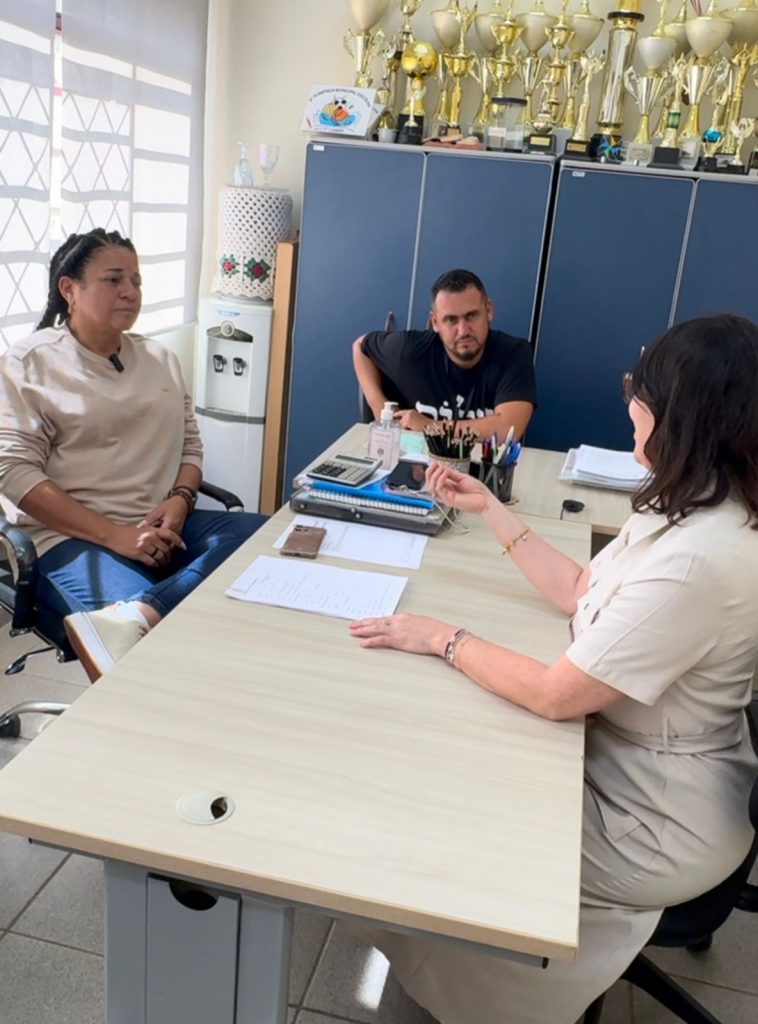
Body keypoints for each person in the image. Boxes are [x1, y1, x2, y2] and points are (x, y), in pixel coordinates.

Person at [349, 313, 758, 1024]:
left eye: (640, 392)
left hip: (654, 815)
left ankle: (467, 985)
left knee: (444, 821)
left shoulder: (702, 557)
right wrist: (490, 508)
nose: (630, 404)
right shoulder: (689, 502)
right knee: (457, 754)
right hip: (628, 751)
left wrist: (442, 637)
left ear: (685, 417)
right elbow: (579, 590)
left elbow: (553, 694)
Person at [0, 228, 266, 683]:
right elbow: (12, 472)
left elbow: (190, 446)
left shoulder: (160, 358)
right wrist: (117, 536)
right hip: (72, 538)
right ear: (69, 289)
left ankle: (144, 611)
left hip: (163, 526)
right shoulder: (30, 362)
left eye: (136, 281)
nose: (130, 292)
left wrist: (181, 501)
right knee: (166, 648)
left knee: (272, 542)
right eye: (113, 280)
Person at [352, 268, 536, 441]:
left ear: (488, 311)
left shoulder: (514, 353)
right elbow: (360, 347)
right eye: (451, 320)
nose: (463, 330)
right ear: (435, 322)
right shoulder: (409, 350)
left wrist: (430, 426)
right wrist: (379, 408)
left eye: (471, 316)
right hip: (417, 459)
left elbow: (508, 430)